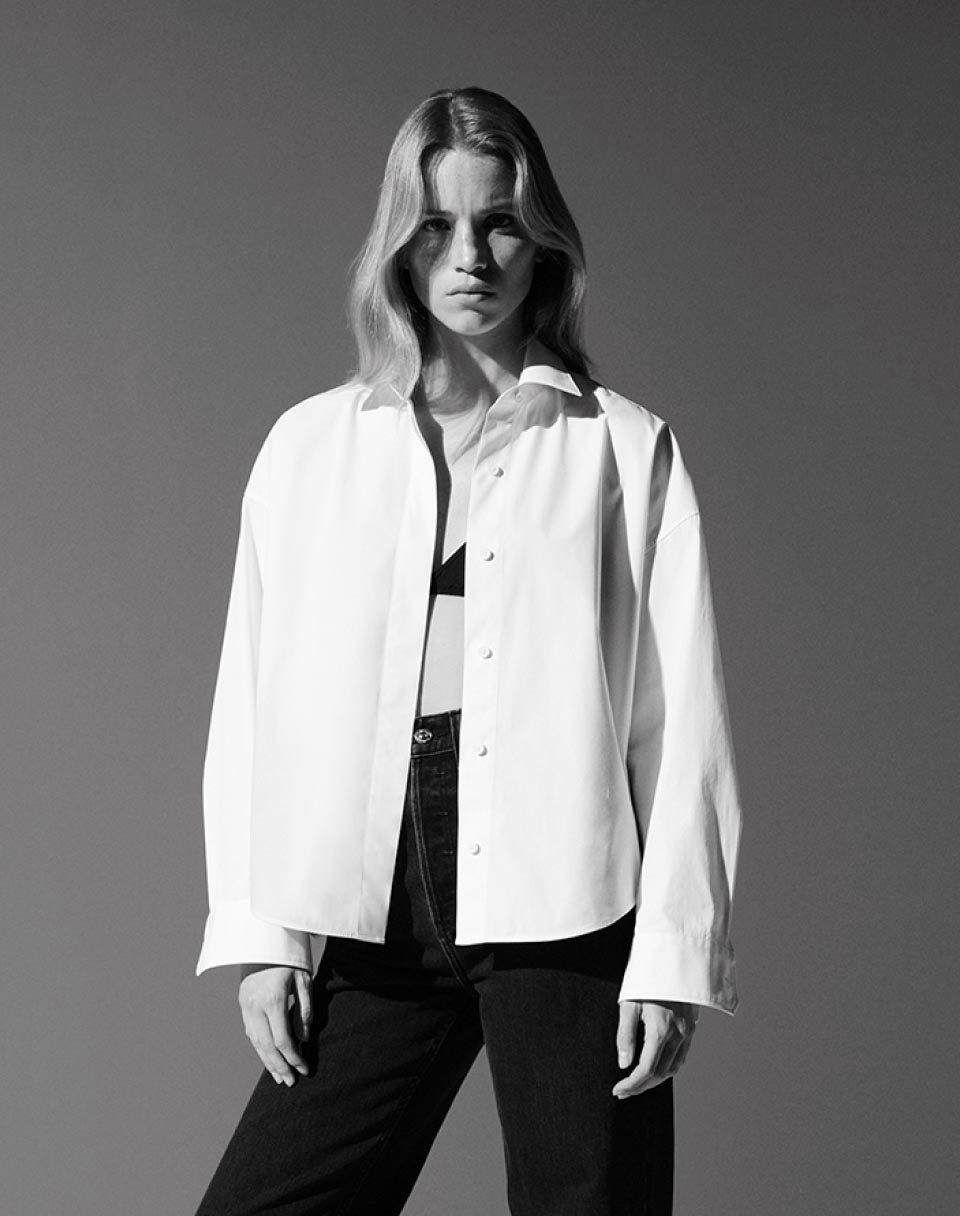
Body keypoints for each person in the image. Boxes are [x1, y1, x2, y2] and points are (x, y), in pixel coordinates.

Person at [194, 86, 741, 1216]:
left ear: (542, 242)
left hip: (567, 897)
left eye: (498, 224)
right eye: (436, 225)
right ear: (399, 245)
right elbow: (254, 701)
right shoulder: (310, 448)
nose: (470, 257)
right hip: (374, 894)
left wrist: (674, 953)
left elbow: (679, 720)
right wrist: (261, 929)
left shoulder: (622, 449)